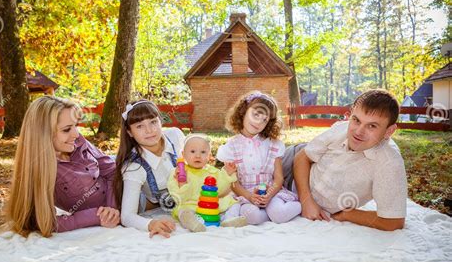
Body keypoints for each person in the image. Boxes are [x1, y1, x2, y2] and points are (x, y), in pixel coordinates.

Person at [285, 89, 407, 231]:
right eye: (356, 120)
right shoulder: (341, 128)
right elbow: (302, 157)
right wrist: (306, 201)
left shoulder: (389, 163)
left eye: (372, 126)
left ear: (389, 131)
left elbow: (394, 222)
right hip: (289, 165)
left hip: (289, 195)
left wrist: (347, 214)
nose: (358, 132)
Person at [7, 96, 120, 237]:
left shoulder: (77, 140)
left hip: (124, 185)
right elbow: (42, 222)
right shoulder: (39, 170)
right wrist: (94, 216)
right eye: (66, 129)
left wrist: (111, 209)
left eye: (75, 126)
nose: (76, 134)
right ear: (43, 134)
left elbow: (112, 171)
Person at [216, 91, 302, 225]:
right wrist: (250, 197)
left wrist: (269, 195)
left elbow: (279, 178)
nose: (258, 122)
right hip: (245, 194)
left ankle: (300, 205)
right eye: (256, 114)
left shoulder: (273, 144)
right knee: (252, 216)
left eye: (264, 120)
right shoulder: (231, 147)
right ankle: (266, 215)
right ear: (243, 111)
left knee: (279, 214)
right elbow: (233, 183)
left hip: (271, 192)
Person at [114, 99, 184, 238]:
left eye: (153, 122)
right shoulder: (134, 167)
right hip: (149, 201)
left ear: (160, 121)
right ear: (129, 132)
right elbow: (127, 216)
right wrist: (151, 224)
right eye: (139, 126)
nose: (149, 130)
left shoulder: (175, 136)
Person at [167, 134, 247, 232]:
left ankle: (228, 220)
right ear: (183, 155)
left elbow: (221, 190)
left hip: (212, 205)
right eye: (192, 151)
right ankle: (193, 224)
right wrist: (182, 183)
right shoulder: (179, 172)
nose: (198, 155)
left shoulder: (213, 171)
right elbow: (179, 197)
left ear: (209, 156)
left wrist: (228, 173)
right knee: (183, 212)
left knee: (233, 203)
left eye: (203, 152)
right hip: (192, 204)